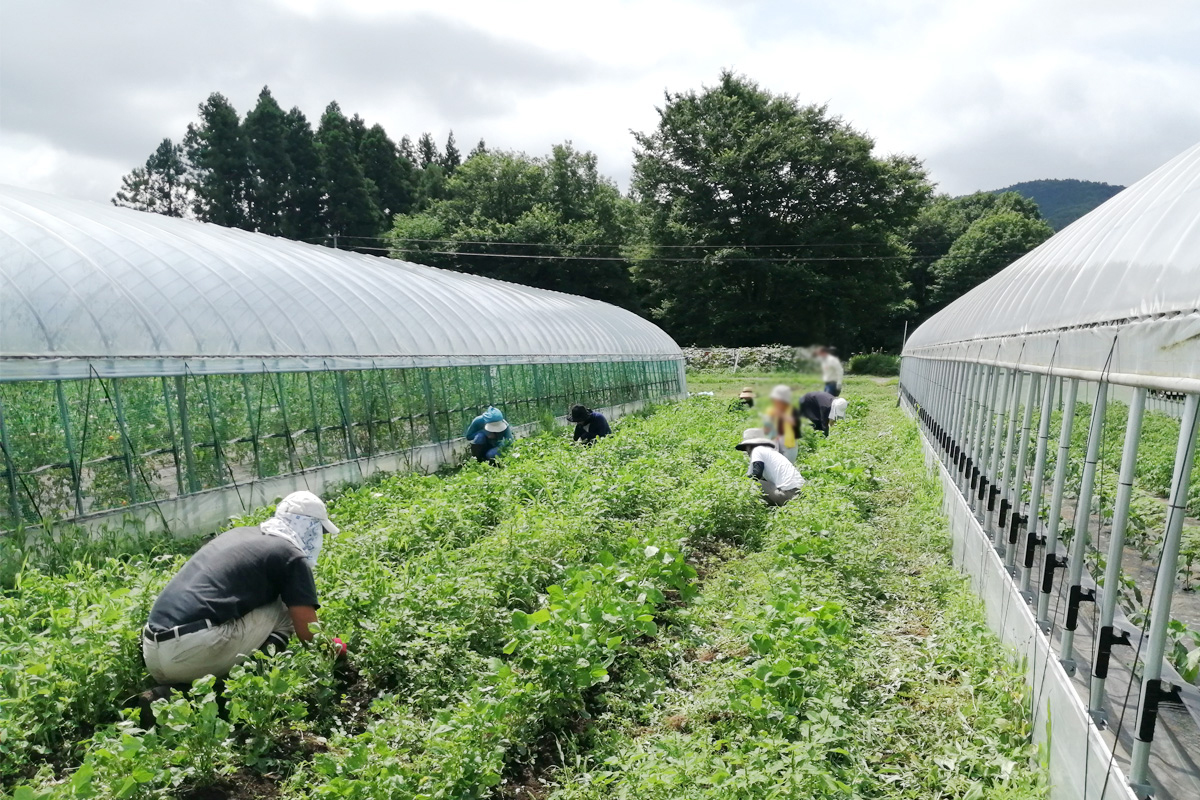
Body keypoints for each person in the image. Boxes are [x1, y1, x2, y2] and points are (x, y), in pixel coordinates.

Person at [141, 491, 343, 692]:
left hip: (152, 651)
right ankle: (243, 689)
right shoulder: (290, 555)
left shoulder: (240, 534)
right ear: (310, 528)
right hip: (191, 651)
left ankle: (173, 691)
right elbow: (309, 635)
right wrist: (337, 652)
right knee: (286, 610)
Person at [735, 427, 806, 507]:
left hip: (788, 495)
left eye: (746, 448)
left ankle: (762, 507)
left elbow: (756, 475)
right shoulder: (769, 453)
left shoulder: (757, 451)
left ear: (749, 446)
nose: (747, 452)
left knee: (754, 483)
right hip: (801, 493)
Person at [762, 384, 799, 463]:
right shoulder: (771, 410)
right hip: (774, 441)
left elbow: (794, 424)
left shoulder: (792, 410)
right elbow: (766, 429)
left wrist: (781, 414)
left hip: (789, 444)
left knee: (787, 465)